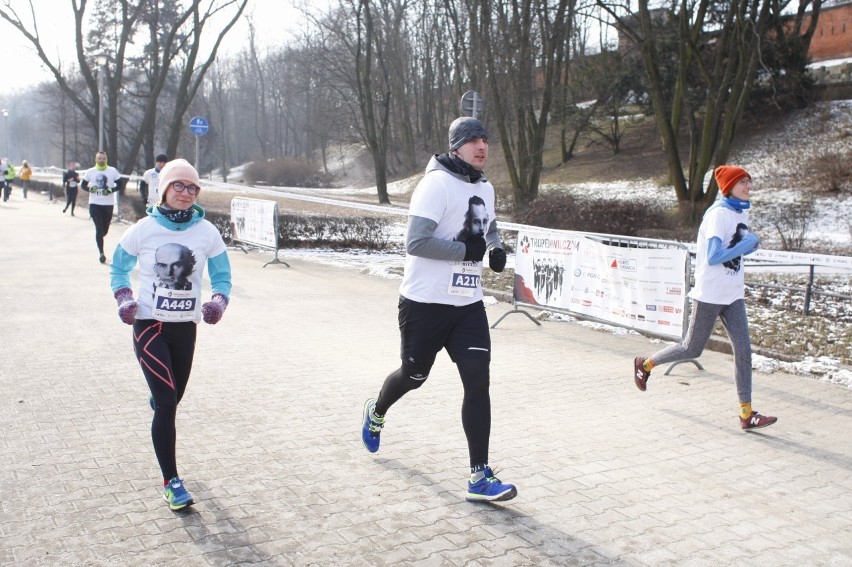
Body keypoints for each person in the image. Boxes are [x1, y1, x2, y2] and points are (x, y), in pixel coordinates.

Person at [360, 116, 516, 502]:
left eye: (485, 139)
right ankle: (377, 410)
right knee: (414, 375)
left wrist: (494, 247)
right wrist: (468, 250)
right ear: (456, 146)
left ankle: (479, 476)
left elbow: (489, 226)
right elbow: (416, 242)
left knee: (478, 381)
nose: (482, 147)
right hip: (424, 304)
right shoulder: (435, 185)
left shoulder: (486, 187)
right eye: (474, 140)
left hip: (467, 305)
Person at [109, 158, 232, 511]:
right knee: (166, 404)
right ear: (164, 188)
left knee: (172, 399)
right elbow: (119, 268)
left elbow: (222, 275)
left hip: (185, 330)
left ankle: (159, 398)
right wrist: (124, 299)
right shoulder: (143, 229)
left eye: (193, 187)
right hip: (148, 326)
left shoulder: (207, 232)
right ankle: (171, 482)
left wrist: (219, 302)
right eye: (179, 185)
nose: (186, 192)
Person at [632, 165, 777, 431]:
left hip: (733, 295)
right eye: (743, 181)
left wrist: (749, 247)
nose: (748, 186)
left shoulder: (740, 211)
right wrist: (746, 245)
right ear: (729, 186)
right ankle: (646, 364)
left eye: (749, 181)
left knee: (744, 351)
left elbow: (734, 249)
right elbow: (713, 256)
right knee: (692, 348)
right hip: (710, 294)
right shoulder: (718, 215)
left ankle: (746, 414)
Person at [81, 151, 123, 263]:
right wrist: (90, 189)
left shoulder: (112, 171)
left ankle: (101, 236)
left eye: (103, 158)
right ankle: (101, 253)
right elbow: (83, 185)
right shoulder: (90, 172)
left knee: (104, 231)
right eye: (99, 158)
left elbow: (120, 184)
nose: (101, 160)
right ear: (96, 160)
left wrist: (111, 190)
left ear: (106, 159)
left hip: (108, 204)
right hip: (94, 204)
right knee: (99, 229)